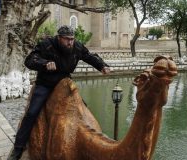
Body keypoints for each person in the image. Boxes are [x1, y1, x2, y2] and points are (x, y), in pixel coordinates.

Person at [7, 25, 110, 160]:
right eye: (67, 39)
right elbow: (30, 60)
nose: (70, 42)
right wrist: (45, 63)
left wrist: (102, 65)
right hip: (46, 83)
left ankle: (84, 142)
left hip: (65, 81)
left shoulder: (77, 47)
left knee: (83, 108)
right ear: (59, 38)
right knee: (32, 113)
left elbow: (89, 56)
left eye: (72, 39)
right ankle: (18, 148)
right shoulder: (47, 45)